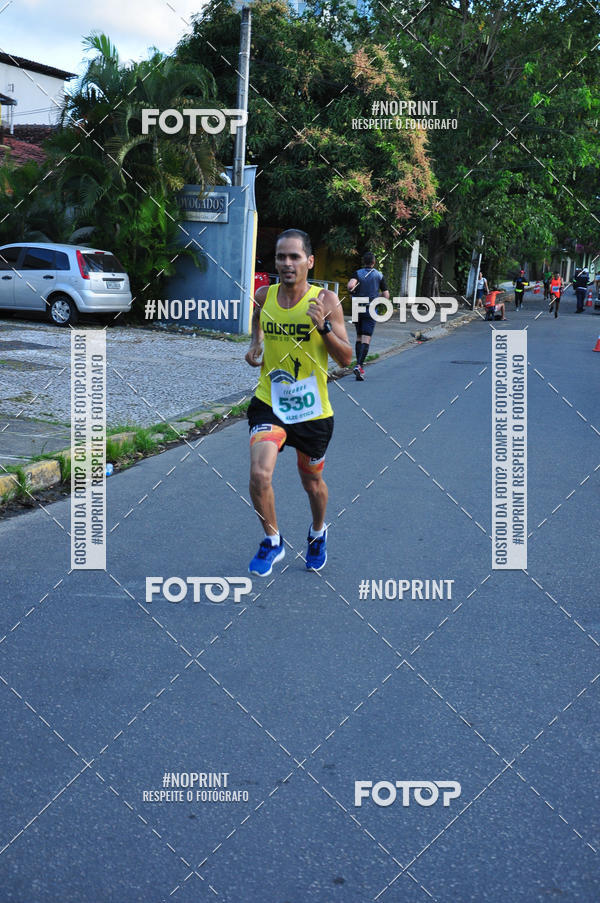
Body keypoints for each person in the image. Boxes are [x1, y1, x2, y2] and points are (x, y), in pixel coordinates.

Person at [245, 229, 352, 576]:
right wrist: (255, 345)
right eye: (281, 257)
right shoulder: (265, 295)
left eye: (294, 257)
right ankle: (272, 541)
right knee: (260, 473)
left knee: (311, 483)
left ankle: (318, 532)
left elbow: (347, 359)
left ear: (310, 261)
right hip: (270, 403)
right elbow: (258, 318)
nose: (287, 264)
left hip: (312, 411)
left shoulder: (327, 301)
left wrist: (322, 327)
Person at [347, 252, 389, 380]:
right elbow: (386, 295)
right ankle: (359, 365)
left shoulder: (358, 273)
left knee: (359, 336)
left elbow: (350, 286)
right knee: (366, 338)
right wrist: (377, 297)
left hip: (357, 307)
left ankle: (358, 364)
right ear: (374, 262)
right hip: (371, 307)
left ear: (363, 262)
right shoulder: (379, 275)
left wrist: (353, 293)